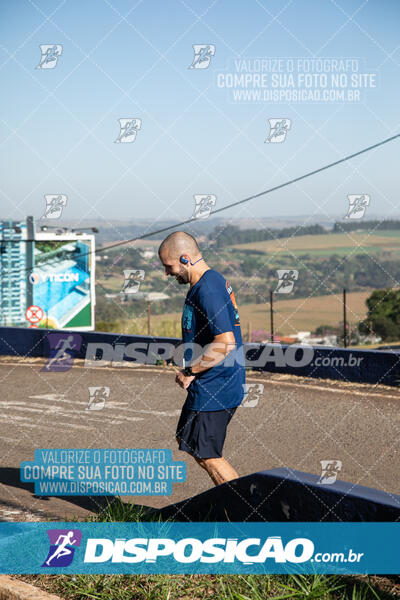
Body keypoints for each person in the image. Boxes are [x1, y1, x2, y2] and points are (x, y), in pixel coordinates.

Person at [158, 231, 245, 486]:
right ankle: (235, 508)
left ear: (185, 258)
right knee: (192, 442)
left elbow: (225, 343)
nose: (167, 273)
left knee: (208, 455)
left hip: (216, 383)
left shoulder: (207, 289)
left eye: (169, 266)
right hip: (213, 383)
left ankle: (246, 514)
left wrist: (191, 371)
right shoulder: (209, 283)